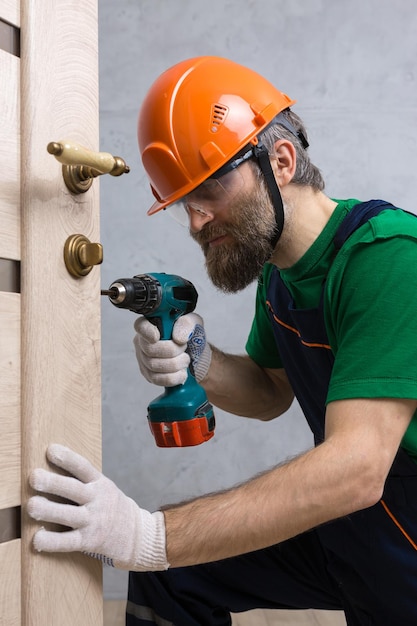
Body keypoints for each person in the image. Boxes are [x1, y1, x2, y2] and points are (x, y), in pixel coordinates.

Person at [27, 56, 417, 625]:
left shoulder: (386, 259)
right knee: (173, 576)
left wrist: (148, 534)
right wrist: (202, 361)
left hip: (402, 537)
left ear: (280, 161)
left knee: (162, 549)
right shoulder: (279, 275)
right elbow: (269, 392)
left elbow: (355, 470)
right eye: (184, 200)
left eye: (210, 188)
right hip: (357, 529)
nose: (196, 220)